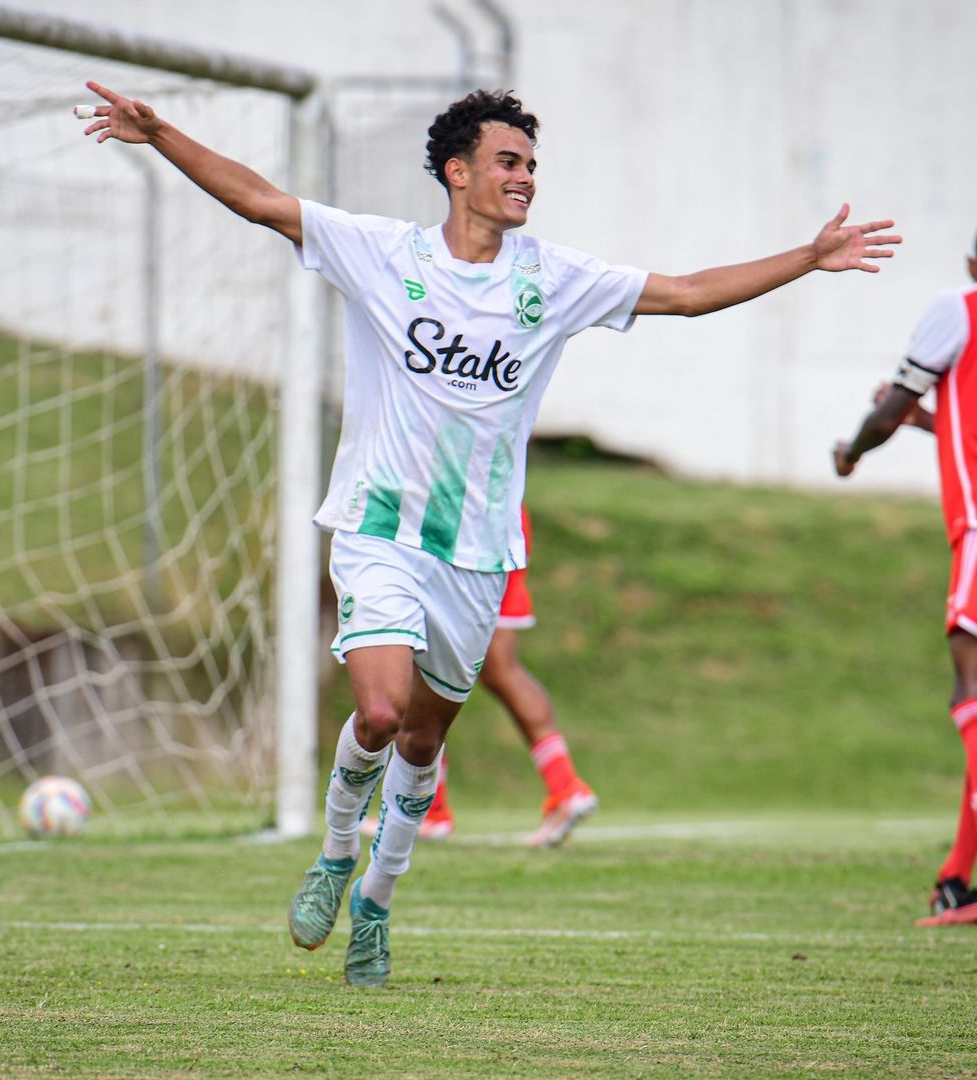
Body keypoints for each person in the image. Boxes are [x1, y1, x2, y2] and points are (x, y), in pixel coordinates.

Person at [79, 81, 900, 986]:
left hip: (476, 555)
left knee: (425, 744)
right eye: (509, 163)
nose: (526, 179)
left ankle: (378, 909)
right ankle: (336, 853)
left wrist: (809, 257)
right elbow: (262, 201)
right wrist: (162, 137)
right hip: (380, 529)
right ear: (457, 171)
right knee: (381, 713)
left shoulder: (552, 279)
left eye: (533, 167)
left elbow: (690, 293)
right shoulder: (382, 253)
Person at [833, 237, 977, 926]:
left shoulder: (958, 309)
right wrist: (929, 421)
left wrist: (852, 449)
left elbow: (888, 409)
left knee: (971, 691)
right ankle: (956, 879)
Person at [402, 504, 598, 846]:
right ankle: (565, 785)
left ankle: (428, 809)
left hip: (451, 513)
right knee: (500, 666)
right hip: (503, 512)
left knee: (415, 655)